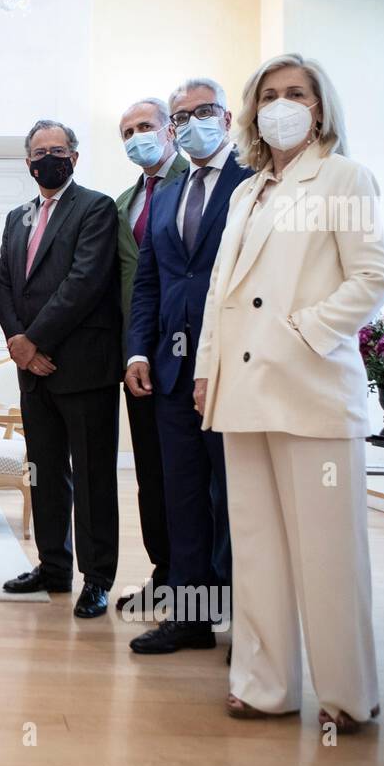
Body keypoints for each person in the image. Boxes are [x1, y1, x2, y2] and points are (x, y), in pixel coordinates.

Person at [194, 54, 384, 731]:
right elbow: (221, 291)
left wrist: (304, 331)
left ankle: (348, 694)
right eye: (270, 95)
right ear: (253, 111)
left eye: (297, 93)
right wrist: (206, 370)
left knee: (329, 551)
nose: (283, 104)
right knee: (256, 547)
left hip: (308, 386)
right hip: (242, 390)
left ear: (320, 104)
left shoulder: (343, 176)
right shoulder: (248, 191)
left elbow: (372, 279)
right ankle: (266, 683)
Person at [125, 78, 251, 654]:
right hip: (172, 371)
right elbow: (149, 281)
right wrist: (138, 350)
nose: (193, 121)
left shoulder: (254, 183)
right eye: (183, 115)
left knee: (238, 495)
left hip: (237, 366)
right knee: (182, 495)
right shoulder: (167, 198)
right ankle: (192, 618)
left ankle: (253, 621)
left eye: (205, 111)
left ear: (225, 118)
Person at [0, 120, 122, 619]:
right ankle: (53, 566)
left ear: (74, 156)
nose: (49, 158)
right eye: (39, 151)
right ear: (27, 162)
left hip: (82, 365)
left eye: (58, 149)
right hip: (33, 369)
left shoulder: (95, 207)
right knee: (44, 472)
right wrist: (18, 345)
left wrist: (34, 340)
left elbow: (84, 281)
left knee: (91, 477)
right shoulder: (16, 216)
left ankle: (97, 578)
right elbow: (5, 282)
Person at [112, 98, 184, 613]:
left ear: (170, 130)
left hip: (187, 352)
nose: (138, 136)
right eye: (128, 131)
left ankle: (201, 582)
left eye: (146, 126)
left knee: (191, 473)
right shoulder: (123, 203)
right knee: (151, 473)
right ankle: (164, 572)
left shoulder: (199, 183)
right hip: (138, 357)